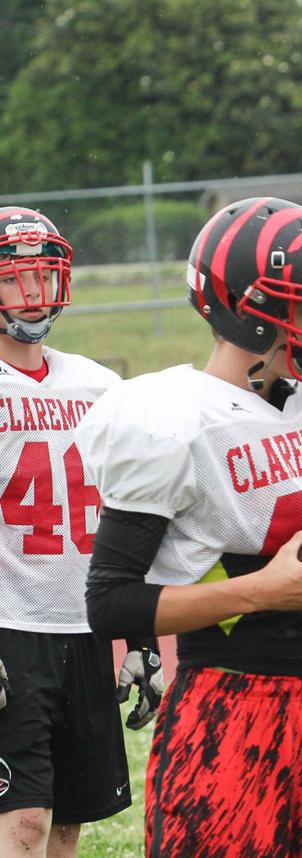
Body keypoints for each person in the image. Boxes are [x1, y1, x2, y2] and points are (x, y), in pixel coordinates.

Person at [78, 197, 302, 857]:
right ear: (251, 309)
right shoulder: (171, 419)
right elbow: (109, 602)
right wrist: (265, 591)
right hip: (228, 708)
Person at [0, 206, 130, 856]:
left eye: (43, 277)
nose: (33, 294)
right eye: (14, 278)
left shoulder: (101, 385)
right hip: (9, 626)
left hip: (83, 626)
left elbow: (132, 517)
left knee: (69, 821)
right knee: (23, 818)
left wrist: (142, 637)